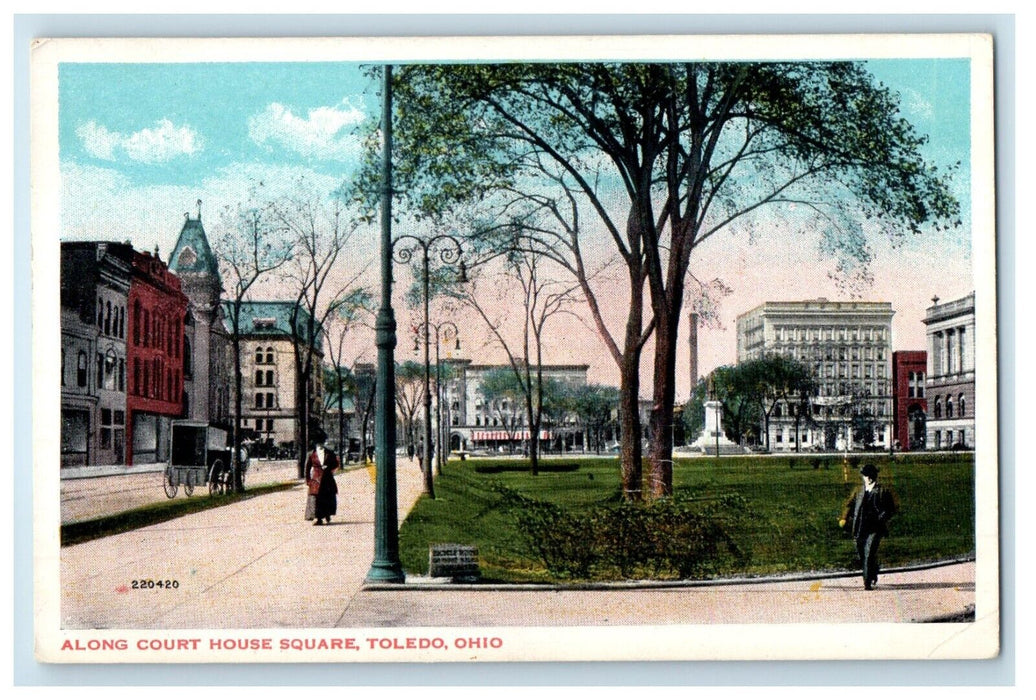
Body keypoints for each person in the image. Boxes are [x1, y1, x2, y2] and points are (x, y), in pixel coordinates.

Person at [840, 463, 899, 590]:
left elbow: (891, 509)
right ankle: (874, 569)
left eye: (869, 475)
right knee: (861, 553)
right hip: (860, 527)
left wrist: (882, 517)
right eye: (865, 475)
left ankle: (867, 582)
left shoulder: (883, 491)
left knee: (869, 553)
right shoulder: (859, 491)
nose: (867, 478)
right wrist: (844, 518)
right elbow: (849, 505)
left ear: (874, 476)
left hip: (875, 528)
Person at [306, 434, 340, 526]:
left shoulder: (329, 452)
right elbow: (307, 468)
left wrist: (328, 467)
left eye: (321, 442)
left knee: (327, 498)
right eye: (318, 443)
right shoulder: (311, 454)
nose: (319, 445)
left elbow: (336, 464)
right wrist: (308, 481)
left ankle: (327, 514)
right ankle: (318, 518)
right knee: (316, 499)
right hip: (316, 480)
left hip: (327, 479)